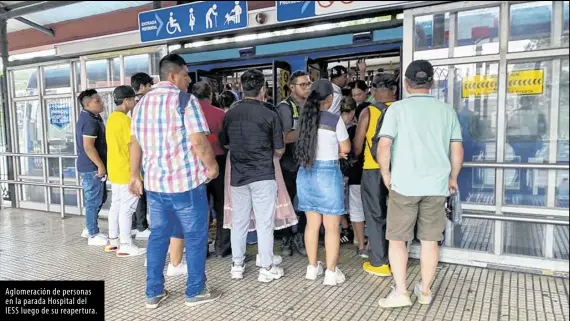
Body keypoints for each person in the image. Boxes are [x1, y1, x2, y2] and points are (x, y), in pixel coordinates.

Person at [129, 53, 221, 309]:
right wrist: (212, 167)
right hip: (186, 186)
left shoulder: (141, 104)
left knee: (158, 237)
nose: (189, 79)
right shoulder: (185, 101)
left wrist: (134, 175)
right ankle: (195, 291)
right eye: (185, 74)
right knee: (194, 237)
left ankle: (153, 293)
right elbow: (199, 142)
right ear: (172, 75)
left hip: (156, 187)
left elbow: (134, 142)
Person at [377, 60, 463, 308]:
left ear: (406, 83)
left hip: (403, 185)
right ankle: (425, 291)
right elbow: (457, 149)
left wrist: (386, 173)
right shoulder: (447, 111)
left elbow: (385, 145)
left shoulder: (397, 110)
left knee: (397, 240)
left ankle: (402, 292)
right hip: (436, 187)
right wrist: (452, 178)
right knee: (429, 241)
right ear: (432, 83)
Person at [220, 69, 286, 283]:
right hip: (263, 174)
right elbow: (280, 150)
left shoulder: (230, 113)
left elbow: (226, 142)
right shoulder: (270, 114)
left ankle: (237, 265)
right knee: (264, 222)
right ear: (263, 89)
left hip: (238, 176)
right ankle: (266, 267)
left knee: (239, 220)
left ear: (241, 88)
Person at [295, 79, 350, 286]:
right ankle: (331, 273)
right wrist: (337, 151)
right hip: (327, 174)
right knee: (332, 227)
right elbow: (346, 148)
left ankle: (312, 268)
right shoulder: (334, 120)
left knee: (312, 224)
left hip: (306, 173)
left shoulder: (304, 119)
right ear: (329, 99)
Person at [353, 73, 398, 278]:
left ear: (372, 91)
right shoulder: (402, 109)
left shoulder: (368, 112)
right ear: (395, 90)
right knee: (399, 214)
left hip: (373, 169)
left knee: (375, 214)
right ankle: (399, 257)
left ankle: (379, 262)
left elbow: (357, 146)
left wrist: (353, 159)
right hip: (400, 170)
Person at [104, 86, 146, 257]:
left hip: (115, 170)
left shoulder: (111, 119)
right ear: (126, 100)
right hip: (127, 170)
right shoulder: (127, 121)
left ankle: (113, 240)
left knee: (116, 206)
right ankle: (126, 244)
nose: (135, 102)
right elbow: (133, 146)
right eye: (133, 99)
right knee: (127, 209)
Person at [192, 81, 231, 258]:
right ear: (211, 95)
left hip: (196, 164)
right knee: (222, 204)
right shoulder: (220, 114)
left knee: (200, 207)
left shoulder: (188, 113)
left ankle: (202, 249)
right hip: (220, 162)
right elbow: (226, 140)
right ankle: (222, 247)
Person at [275, 70, 311, 257]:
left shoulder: (313, 105)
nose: (307, 87)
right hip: (289, 164)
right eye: (303, 85)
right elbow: (285, 137)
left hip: (307, 162)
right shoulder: (285, 107)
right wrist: (309, 130)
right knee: (287, 201)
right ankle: (287, 238)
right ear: (292, 87)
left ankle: (302, 236)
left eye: (308, 84)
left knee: (305, 202)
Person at [77, 89, 108, 246]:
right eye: (97, 101)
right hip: (91, 167)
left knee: (99, 198)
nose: (101, 102)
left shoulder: (93, 117)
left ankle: (89, 227)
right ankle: (93, 234)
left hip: (93, 166)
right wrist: (100, 166)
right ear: (87, 104)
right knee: (93, 200)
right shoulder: (89, 121)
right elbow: (89, 147)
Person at [340, 97, 367, 257]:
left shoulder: (350, 131)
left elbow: (352, 152)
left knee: (356, 208)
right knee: (372, 209)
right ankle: (370, 241)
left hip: (354, 175)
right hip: (373, 174)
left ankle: (360, 242)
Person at [129, 72, 154, 239]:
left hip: (140, 159)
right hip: (148, 158)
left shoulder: (133, 107)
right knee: (146, 195)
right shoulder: (146, 105)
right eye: (150, 85)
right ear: (143, 86)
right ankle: (142, 226)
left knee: (139, 194)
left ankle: (136, 225)